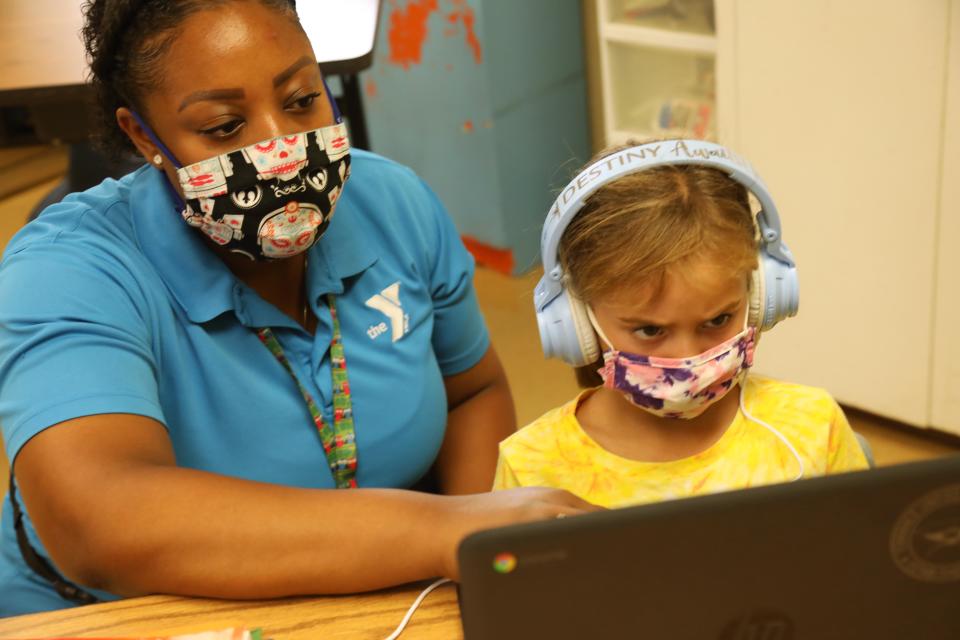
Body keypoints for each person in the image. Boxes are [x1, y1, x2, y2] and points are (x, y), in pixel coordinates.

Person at [0, 0, 598, 616]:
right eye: (225, 126)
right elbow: (98, 521)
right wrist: (443, 532)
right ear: (141, 136)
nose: (282, 148)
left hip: (390, 597)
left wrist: (468, 573)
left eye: (300, 99)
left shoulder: (393, 204)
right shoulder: (69, 269)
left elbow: (471, 392)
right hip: (136, 614)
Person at [493, 139, 869, 507]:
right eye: (650, 330)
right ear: (577, 321)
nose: (687, 358)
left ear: (760, 298)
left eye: (718, 320)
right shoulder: (533, 471)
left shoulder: (814, 431)